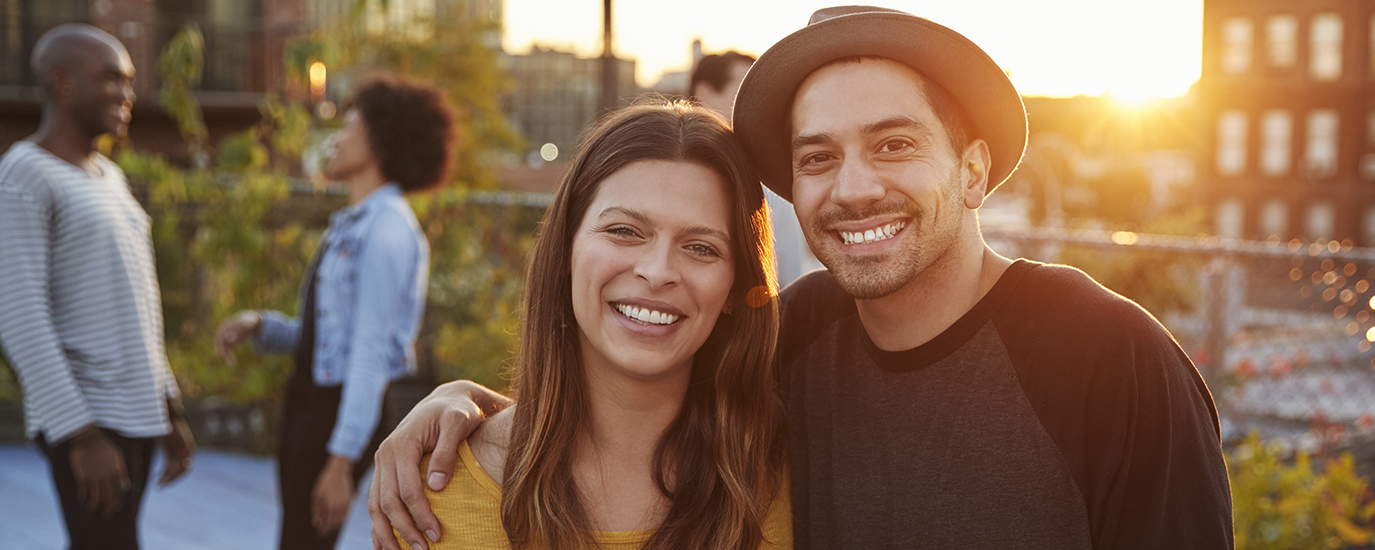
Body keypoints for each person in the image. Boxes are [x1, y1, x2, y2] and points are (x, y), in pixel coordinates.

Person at [371, 6, 1235, 550]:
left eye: (894, 144)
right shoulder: (795, 338)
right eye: (818, 156)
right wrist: (459, 405)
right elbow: (634, 371)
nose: (853, 185)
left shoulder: (1110, 358)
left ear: (973, 172)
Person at [385, 99, 791, 550]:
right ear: (566, 249)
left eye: (701, 248)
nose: (657, 271)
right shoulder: (432, 491)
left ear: (736, 288)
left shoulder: (787, 486)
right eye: (624, 231)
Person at [213, 76, 454, 550]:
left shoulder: (385, 230)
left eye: (348, 126)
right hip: (312, 401)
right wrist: (261, 325)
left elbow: (367, 354)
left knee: (304, 542)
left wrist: (340, 464)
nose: (336, 139)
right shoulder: (353, 225)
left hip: (335, 410)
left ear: (381, 140)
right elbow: (330, 336)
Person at [0, 24, 195, 550]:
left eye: (130, 81)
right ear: (62, 83)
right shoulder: (24, 176)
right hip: (89, 420)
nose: (126, 94)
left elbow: (140, 304)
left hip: (135, 413)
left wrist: (169, 410)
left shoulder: (109, 177)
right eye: (110, 79)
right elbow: (18, 314)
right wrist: (80, 435)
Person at [689, 51, 816, 288]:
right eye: (744, 92)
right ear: (705, 94)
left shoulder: (771, 191)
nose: (759, 104)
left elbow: (790, 287)